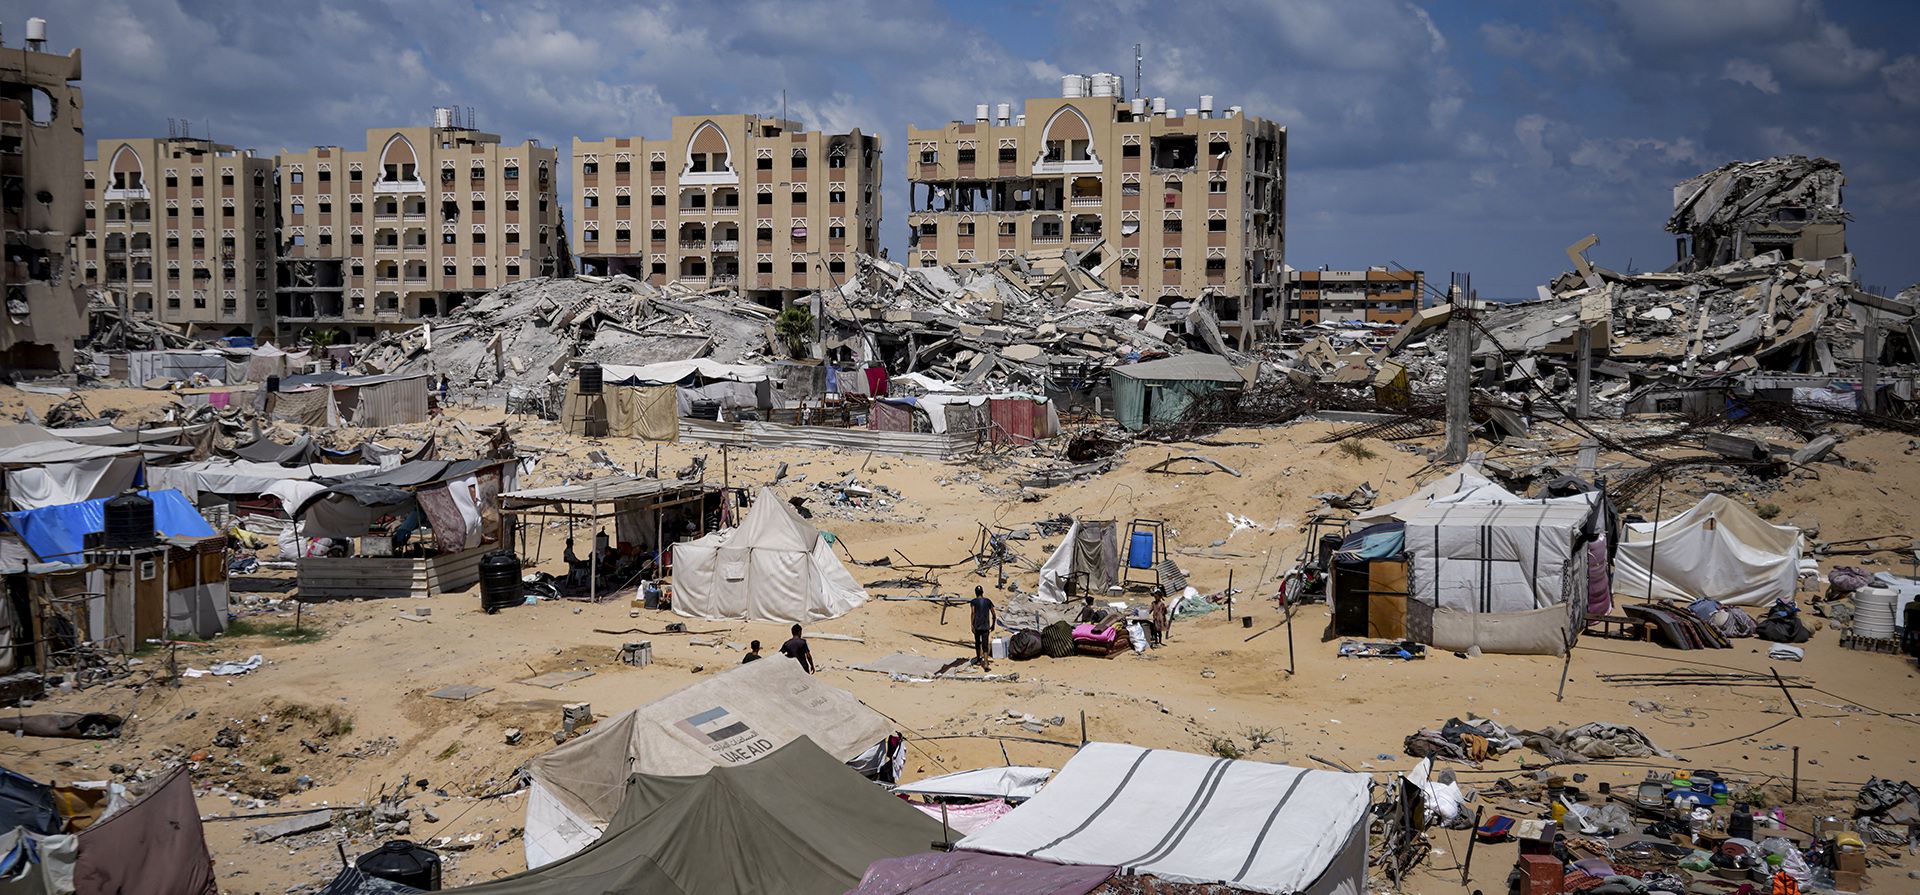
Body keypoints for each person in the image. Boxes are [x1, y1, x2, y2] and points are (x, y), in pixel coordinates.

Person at [969, 585, 997, 669]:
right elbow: (994, 614)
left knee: (978, 643)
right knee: (985, 645)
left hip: (977, 625)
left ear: (975, 593)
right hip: (985, 626)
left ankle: (978, 659)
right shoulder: (988, 601)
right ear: (982, 592)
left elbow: (973, 613)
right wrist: (993, 624)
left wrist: (972, 624)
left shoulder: (973, 601)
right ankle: (986, 663)